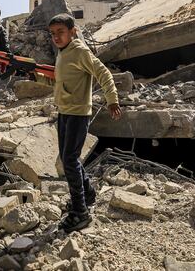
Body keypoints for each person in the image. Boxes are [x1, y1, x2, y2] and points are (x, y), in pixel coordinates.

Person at [45, 13, 122, 233]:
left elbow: (103, 73)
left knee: (69, 159)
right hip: (64, 112)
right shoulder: (63, 52)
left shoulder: (79, 51)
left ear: (73, 31)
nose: (56, 37)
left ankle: (80, 213)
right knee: (69, 157)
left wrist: (112, 99)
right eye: (53, 34)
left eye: (61, 32)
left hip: (78, 113)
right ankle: (87, 194)